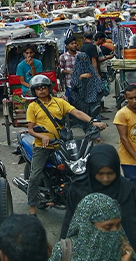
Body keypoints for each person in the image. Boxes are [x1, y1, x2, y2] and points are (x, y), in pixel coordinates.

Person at [60, 144, 136, 259]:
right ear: (92, 170)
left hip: (127, 253)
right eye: (100, 174)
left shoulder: (128, 189)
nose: (105, 178)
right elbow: (69, 224)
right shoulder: (78, 190)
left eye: (110, 173)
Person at [26, 75, 107, 215]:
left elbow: (76, 112)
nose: (41, 90)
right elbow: (30, 129)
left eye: (44, 87)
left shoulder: (59, 102)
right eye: (38, 89)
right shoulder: (32, 107)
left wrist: (93, 122)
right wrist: (43, 136)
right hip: (43, 147)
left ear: (49, 88)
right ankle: (32, 206)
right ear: (34, 91)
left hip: (62, 144)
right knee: (35, 176)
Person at [50, 193, 135, 261]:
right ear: (87, 226)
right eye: (108, 227)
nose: (116, 232)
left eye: (118, 225)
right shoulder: (64, 251)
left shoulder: (122, 251)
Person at [70, 52, 105, 122]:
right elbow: (74, 83)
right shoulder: (76, 71)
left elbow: (97, 80)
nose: (84, 61)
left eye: (85, 59)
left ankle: (96, 122)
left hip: (92, 93)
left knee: (94, 109)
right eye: (82, 59)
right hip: (81, 95)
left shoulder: (91, 69)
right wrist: (81, 77)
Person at [59, 37, 79, 104]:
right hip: (70, 83)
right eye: (72, 44)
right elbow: (61, 69)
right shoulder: (63, 57)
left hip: (81, 83)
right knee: (71, 103)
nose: (74, 45)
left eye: (75, 43)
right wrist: (69, 72)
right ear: (67, 46)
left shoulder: (80, 55)